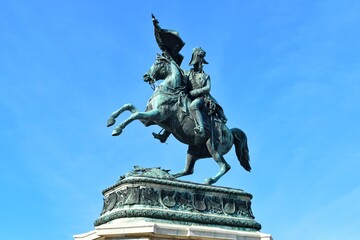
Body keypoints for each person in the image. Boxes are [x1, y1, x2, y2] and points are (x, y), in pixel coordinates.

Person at [152, 47, 227, 142]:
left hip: (202, 99)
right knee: (174, 108)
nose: (199, 65)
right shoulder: (188, 73)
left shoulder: (205, 76)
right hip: (188, 96)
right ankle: (164, 135)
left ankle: (201, 128)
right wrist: (170, 59)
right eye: (197, 63)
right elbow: (179, 72)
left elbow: (207, 88)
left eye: (200, 63)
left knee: (194, 105)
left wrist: (196, 91)